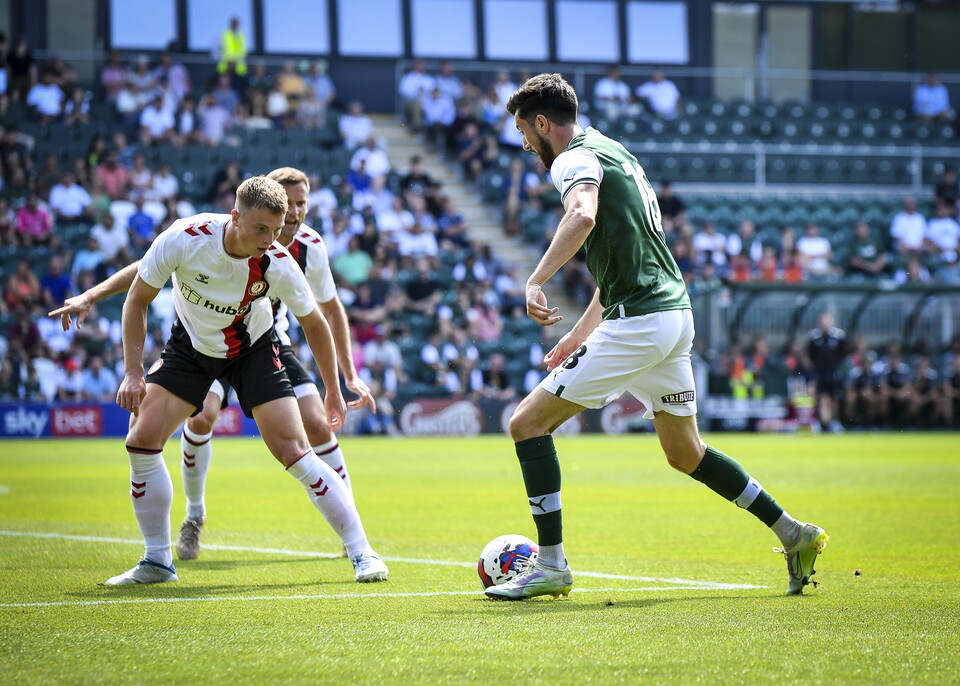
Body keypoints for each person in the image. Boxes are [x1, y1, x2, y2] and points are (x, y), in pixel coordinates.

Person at [482, 73, 827, 601]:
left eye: (525, 131)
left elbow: (581, 215)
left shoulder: (572, 159)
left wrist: (536, 279)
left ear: (544, 122)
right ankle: (792, 533)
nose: (525, 142)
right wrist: (578, 334)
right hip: (670, 317)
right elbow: (626, 263)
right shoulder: (617, 154)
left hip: (640, 323)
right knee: (686, 452)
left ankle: (551, 564)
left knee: (526, 424)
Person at [49, 171, 388, 583]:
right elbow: (137, 298)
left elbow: (316, 322)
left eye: (276, 230)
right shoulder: (186, 237)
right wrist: (133, 373)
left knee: (295, 451)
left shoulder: (277, 261)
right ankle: (157, 561)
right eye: (261, 228)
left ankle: (362, 552)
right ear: (235, 217)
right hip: (190, 348)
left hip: (255, 351)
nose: (270, 238)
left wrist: (334, 390)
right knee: (141, 440)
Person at [807, 312, 848, 434]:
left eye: (827, 320)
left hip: (834, 373)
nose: (824, 323)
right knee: (822, 398)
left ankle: (835, 422)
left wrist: (839, 370)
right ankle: (823, 423)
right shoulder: (814, 337)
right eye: (822, 320)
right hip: (820, 373)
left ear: (832, 321)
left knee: (835, 398)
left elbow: (844, 355)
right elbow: (811, 356)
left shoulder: (839, 336)